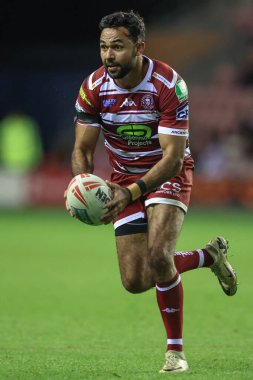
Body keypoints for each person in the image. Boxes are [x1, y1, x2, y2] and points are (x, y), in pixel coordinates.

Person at [66, 10, 237, 373]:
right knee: (135, 281)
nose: (108, 55)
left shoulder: (167, 84)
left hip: (167, 175)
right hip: (122, 179)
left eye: (117, 47)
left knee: (160, 255)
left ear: (139, 47)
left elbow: (174, 159)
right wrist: (81, 186)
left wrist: (130, 194)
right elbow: (82, 150)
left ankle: (175, 352)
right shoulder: (94, 88)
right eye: (103, 47)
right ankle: (209, 257)